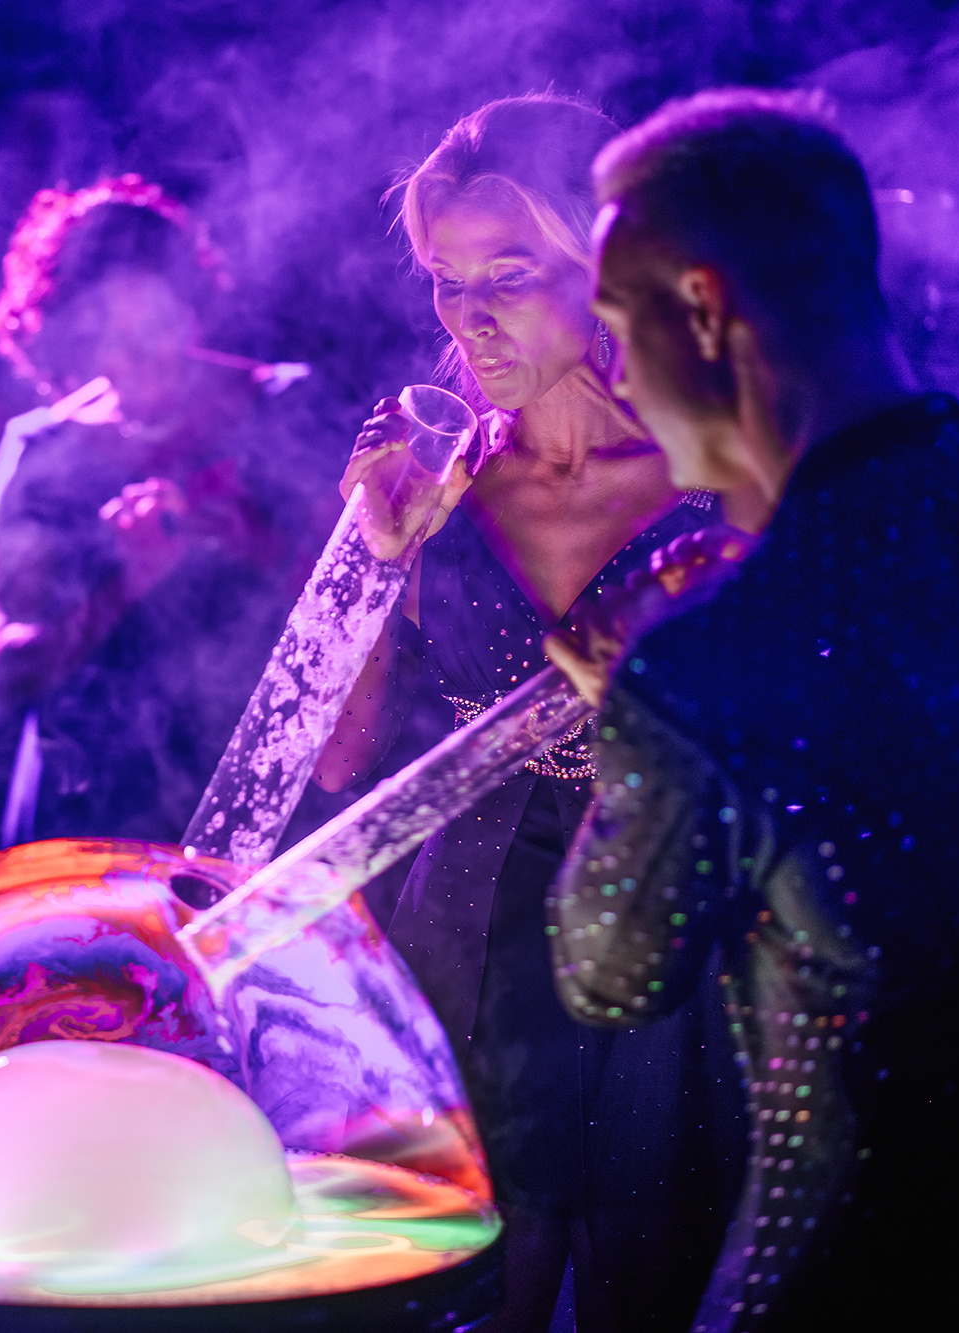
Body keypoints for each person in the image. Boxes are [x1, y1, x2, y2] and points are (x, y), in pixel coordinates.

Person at [546, 87, 959, 1330]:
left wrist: (633, 710)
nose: (614, 373)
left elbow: (609, 972)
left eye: (614, 322)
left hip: (847, 1283)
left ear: (702, 310)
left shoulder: (707, 657)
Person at [315, 96, 745, 1331]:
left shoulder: (714, 467)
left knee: (650, 1280)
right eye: (447, 284)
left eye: (507, 274)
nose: (469, 317)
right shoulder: (424, 480)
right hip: (468, 925)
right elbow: (342, 759)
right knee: (467, 1294)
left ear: (606, 262)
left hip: (666, 917)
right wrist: (373, 557)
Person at [0, 174, 306, 848]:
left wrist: (256, 543)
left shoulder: (280, 409)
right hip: (86, 806)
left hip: (257, 793)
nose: (139, 358)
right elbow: (5, 669)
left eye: (155, 326)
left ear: (191, 310)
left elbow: (381, 611)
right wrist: (124, 585)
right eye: (107, 335)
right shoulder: (43, 452)